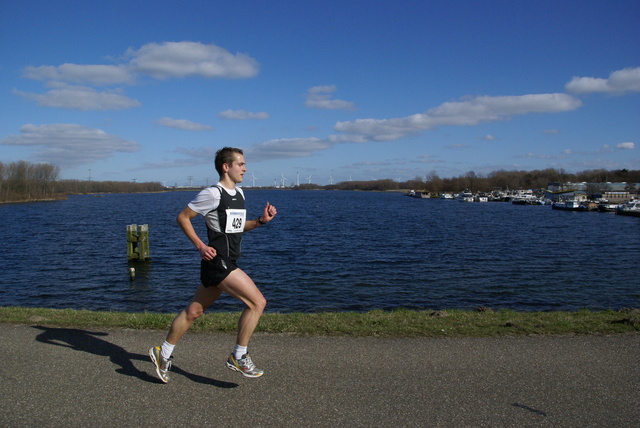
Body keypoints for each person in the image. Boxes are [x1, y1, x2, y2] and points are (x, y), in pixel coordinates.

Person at [149, 147, 277, 382]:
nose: (245, 168)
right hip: (218, 262)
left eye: (245, 164)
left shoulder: (239, 194)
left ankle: (162, 353)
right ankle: (238, 356)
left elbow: (236, 228)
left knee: (194, 312)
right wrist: (199, 245)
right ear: (225, 167)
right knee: (257, 302)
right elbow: (183, 217)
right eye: (240, 164)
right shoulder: (213, 194)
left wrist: (260, 221)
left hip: (224, 262)